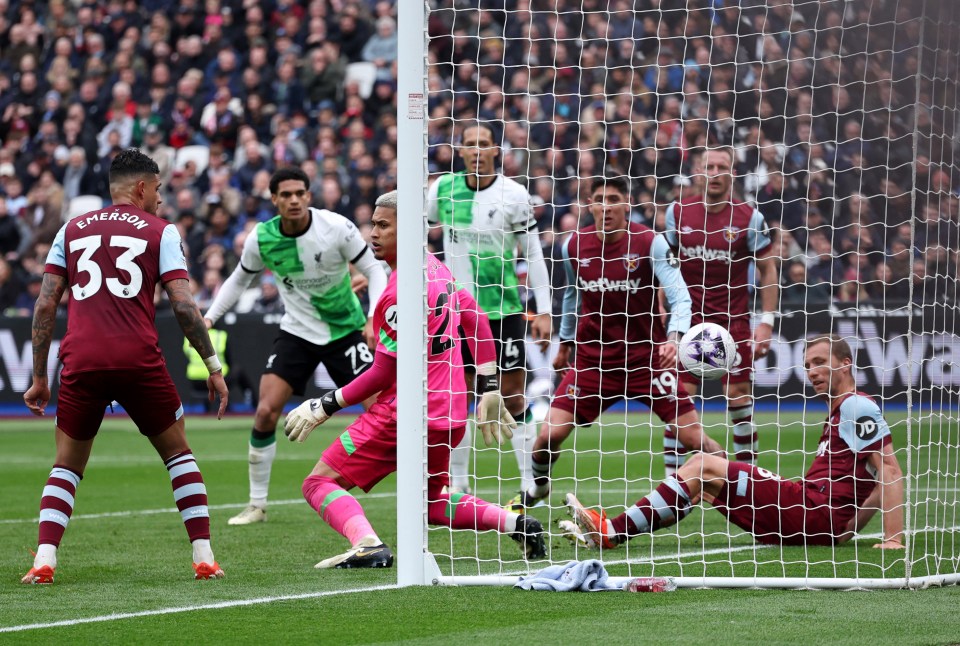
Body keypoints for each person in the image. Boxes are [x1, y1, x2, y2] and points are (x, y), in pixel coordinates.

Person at [283, 190, 546, 568]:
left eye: (383, 225)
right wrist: (488, 386)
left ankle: (368, 543)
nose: (372, 232)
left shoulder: (396, 294)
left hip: (403, 413)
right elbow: (478, 320)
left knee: (318, 483)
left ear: (408, 231)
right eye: (372, 223)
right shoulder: (437, 269)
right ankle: (517, 523)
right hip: (451, 413)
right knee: (434, 502)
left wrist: (325, 404)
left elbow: (383, 372)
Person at [21, 149, 230, 584]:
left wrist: (39, 378)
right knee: (178, 454)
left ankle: (44, 560)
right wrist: (212, 364)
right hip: (138, 359)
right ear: (140, 187)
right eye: (156, 189)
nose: (159, 198)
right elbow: (186, 308)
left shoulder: (71, 229)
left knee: (66, 466)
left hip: (83, 359)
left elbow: (45, 305)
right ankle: (204, 557)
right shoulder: (162, 231)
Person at [563, 334, 905, 551]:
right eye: (807, 366)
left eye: (819, 363)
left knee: (703, 465)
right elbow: (871, 486)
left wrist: (892, 538)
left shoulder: (856, 405)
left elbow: (888, 469)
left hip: (813, 510)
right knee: (704, 486)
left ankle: (610, 530)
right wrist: (844, 531)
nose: (812, 372)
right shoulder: (839, 410)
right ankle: (615, 533)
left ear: (846, 363)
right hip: (816, 515)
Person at [511, 176, 725, 510]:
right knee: (547, 437)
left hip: (646, 360)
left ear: (627, 204)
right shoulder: (572, 246)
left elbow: (681, 297)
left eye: (614, 199)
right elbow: (572, 296)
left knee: (694, 438)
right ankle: (538, 487)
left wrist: (673, 339)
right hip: (594, 363)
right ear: (589, 204)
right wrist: (565, 342)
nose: (606, 206)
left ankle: (746, 486)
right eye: (599, 199)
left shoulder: (650, 243)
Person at [203, 167, 388, 525]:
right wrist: (209, 317)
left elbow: (375, 268)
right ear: (274, 199)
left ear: (308, 196)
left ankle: (425, 488)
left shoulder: (336, 227)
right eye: (285, 195)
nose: (293, 200)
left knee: (382, 411)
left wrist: (373, 319)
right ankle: (256, 505)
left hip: (345, 330)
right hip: (297, 333)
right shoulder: (263, 238)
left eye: (299, 193)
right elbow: (239, 280)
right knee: (265, 411)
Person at [427, 121, 554, 506]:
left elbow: (532, 253)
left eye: (484, 144)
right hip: (456, 312)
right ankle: (458, 485)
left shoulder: (514, 196)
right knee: (456, 399)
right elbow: (417, 231)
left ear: (496, 150)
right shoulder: (442, 191)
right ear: (460, 151)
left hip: (504, 311)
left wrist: (544, 310)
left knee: (513, 399)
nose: (477, 151)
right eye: (470, 145)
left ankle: (531, 485)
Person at [662, 146, 779, 474]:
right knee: (679, 398)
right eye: (708, 166)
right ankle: (673, 482)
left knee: (738, 395)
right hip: (688, 322)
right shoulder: (677, 212)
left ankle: (750, 481)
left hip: (733, 321)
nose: (714, 173)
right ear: (699, 172)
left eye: (721, 167)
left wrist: (766, 322)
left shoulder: (750, 218)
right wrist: (662, 308)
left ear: (732, 174)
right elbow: (666, 262)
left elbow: (769, 270)